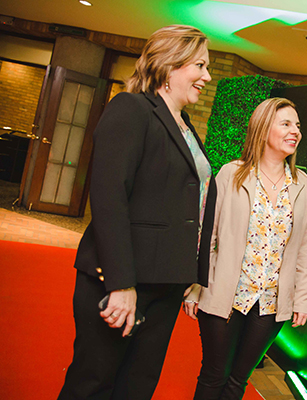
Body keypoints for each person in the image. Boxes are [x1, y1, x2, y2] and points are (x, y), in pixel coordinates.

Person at [57, 25, 216, 400]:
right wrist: (121, 284)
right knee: (93, 384)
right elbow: (109, 199)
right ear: (170, 64)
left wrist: (192, 272)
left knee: (137, 388)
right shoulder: (131, 109)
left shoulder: (185, 126)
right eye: (200, 65)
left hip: (167, 282)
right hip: (125, 279)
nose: (207, 77)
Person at [183, 97, 307, 400]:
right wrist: (194, 286)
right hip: (224, 293)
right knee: (215, 375)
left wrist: (303, 299)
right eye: (286, 124)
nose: (295, 131)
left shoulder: (304, 185)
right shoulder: (231, 174)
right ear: (263, 128)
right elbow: (207, 236)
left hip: (270, 304)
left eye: (297, 125)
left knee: (238, 380)